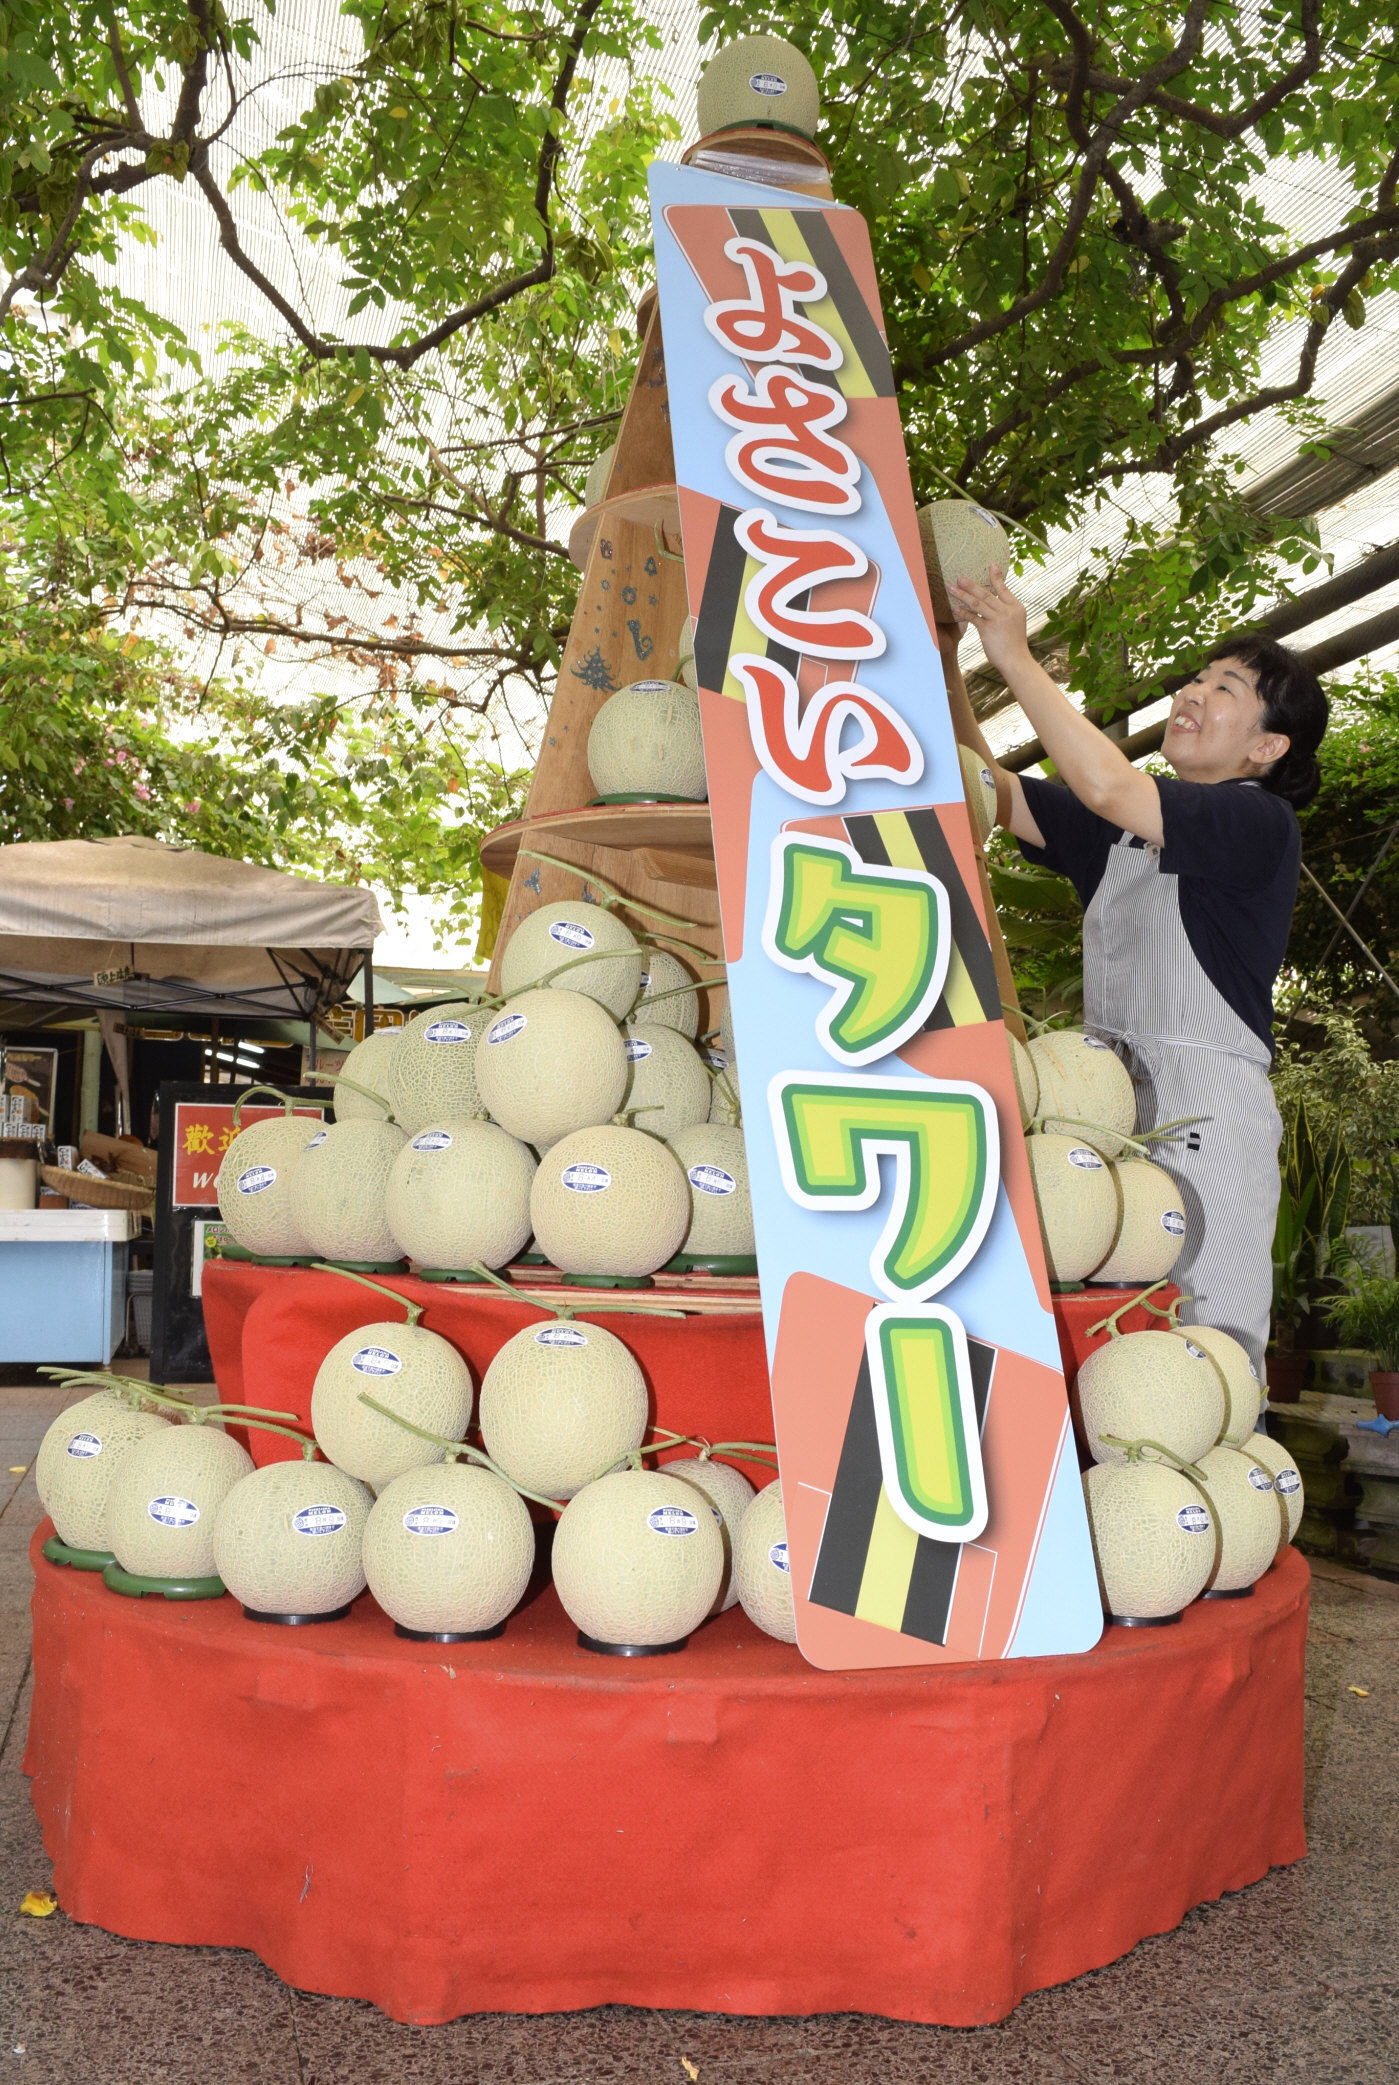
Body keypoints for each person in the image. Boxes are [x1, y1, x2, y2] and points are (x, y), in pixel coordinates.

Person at [939, 567, 1328, 1380]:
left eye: (1224, 687)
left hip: (1205, 1119)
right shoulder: (1118, 833)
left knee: (1207, 1358)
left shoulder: (1256, 821)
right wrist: (944, 656)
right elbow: (982, 785)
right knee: (1117, 1347)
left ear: (1265, 746)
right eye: (1195, 676)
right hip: (1104, 1113)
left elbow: (1110, 783)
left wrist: (1011, 652)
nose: (1192, 692)